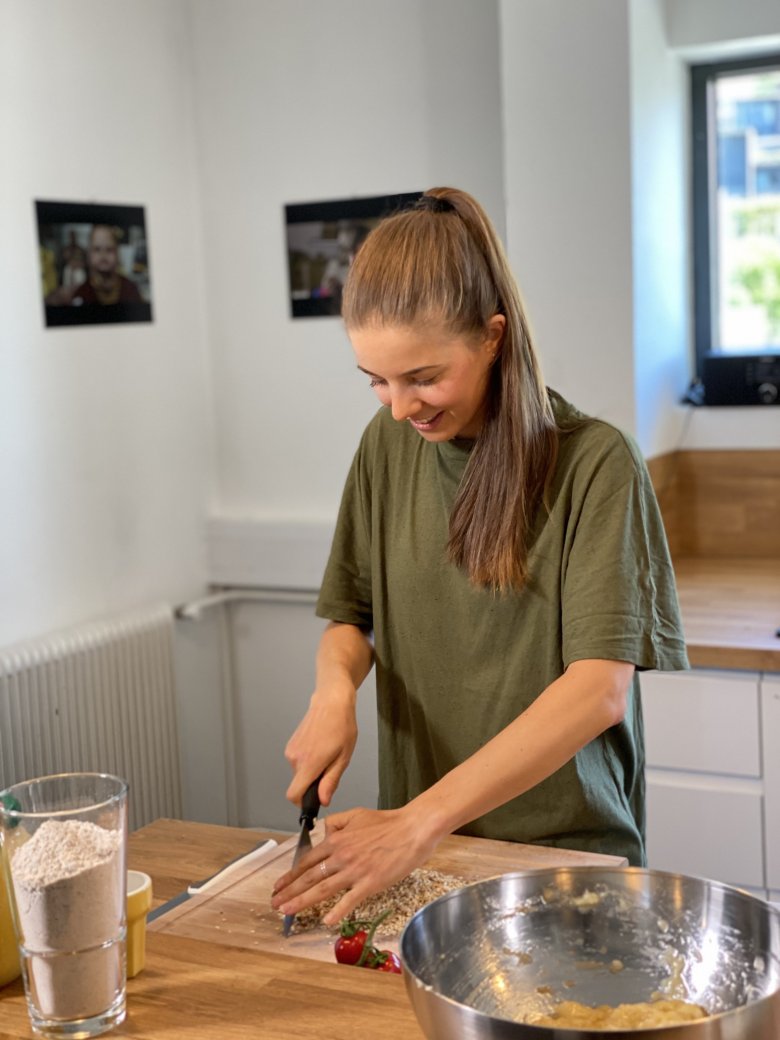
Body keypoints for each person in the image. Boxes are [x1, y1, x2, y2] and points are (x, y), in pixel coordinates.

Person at [271, 187, 688, 928]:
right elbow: (352, 617)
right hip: (425, 857)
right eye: (377, 381)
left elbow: (598, 691)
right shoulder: (387, 445)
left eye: (424, 377)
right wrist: (333, 693)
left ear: (493, 337)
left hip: (563, 864)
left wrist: (417, 821)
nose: (401, 407)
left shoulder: (597, 464)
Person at [45, 224, 142, 307]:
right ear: (89, 254)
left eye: (109, 249)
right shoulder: (82, 293)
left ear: (118, 253)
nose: (103, 256)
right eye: (97, 249)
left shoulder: (130, 290)